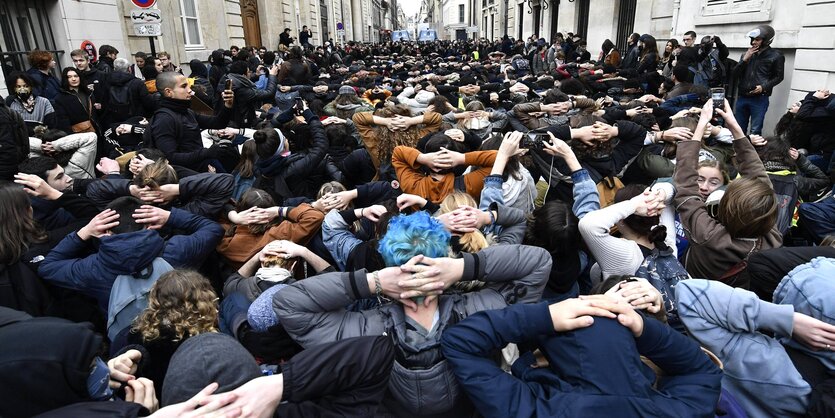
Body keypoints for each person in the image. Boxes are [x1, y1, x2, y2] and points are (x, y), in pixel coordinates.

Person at [441, 295, 722, 418]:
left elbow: (458, 342)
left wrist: (545, 316)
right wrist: (645, 327)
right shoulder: (673, 412)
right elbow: (703, 372)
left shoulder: (534, 410)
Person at [145, 71, 235, 172]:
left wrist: (227, 105)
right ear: (168, 92)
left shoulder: (187, 112)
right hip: (187, 177)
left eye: (188, 85)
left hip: (201, 168)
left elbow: (218, 123)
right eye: (184, 86)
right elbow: (170, 158)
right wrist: (206, 153)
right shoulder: (163, 120)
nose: (189, 90)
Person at [734, 24, 785, 135]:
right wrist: (744, 60)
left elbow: (779, 77)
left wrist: (763, 87)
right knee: (738, 129)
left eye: (757, 39)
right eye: (752, 39)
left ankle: (753, 152)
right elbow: (735, 74)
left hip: (759, 99)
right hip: (742, 97)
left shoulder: (776, 56)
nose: (753, 42)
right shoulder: (746, 54)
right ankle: (736, 152)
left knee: (755, 131)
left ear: (766, 40)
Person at [53, 67, 98, 135]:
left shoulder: (88, 92)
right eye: (69, 77)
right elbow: (63, 122)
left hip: (96, 130)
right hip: (78, 134)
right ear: (66, 79)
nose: (74, 79)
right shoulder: (60, 98)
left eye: (76, 76)